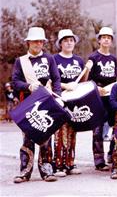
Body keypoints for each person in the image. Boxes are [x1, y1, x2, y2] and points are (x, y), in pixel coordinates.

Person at [12, 27, 61, 183]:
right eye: (35, 41)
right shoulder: (20, 61)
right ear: (28, 42)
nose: (38, 44)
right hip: (28, 103)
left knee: (46, 137)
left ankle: (47, 170)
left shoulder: (49, 59)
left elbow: (56, 78)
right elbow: (15, 82)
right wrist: (28, 87)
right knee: (27, 138)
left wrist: (58, 97)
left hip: (46, 101)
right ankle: (25, 171)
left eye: (40, 41)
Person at [53, 29, 87, 177]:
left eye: (71, 40)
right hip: (60, 100)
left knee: (73, 132)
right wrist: (66, 86)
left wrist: (86, 71)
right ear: (60, 43)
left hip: (75, 101)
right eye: (65, 40)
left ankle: (70, 163)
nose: (69, 43)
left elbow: (83, 81)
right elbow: (51, 82)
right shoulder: (54, 59)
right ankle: (58, 165)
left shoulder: (78, 60)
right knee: (60, 133)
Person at [86, 26, 117, 171]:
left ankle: (113, 154)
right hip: (97, 97)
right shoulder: (93, 57)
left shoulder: (113, 58)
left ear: (111, 41)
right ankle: (99, 161)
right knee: (98, 129)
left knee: (115, 125)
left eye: (109, 37)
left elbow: (115, 77)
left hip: (111, 96)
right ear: (99, 40)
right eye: (103, 37)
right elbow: (87, 80)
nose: (106, 40)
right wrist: (96, 88)